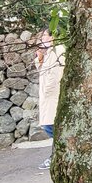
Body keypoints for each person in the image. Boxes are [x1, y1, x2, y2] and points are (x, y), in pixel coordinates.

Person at [35, 30, 66, 171]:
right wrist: (40, 57)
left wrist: (48, 91)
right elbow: (42, 70)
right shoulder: (48, 53)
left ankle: (57, 155)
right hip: (48, 95)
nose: (42, 39)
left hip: (52, 94)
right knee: (50, 126)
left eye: (44, 36)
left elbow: (55, 73)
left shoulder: (57, 50)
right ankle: (58, 154)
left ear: (52, 37)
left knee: (51, 126)